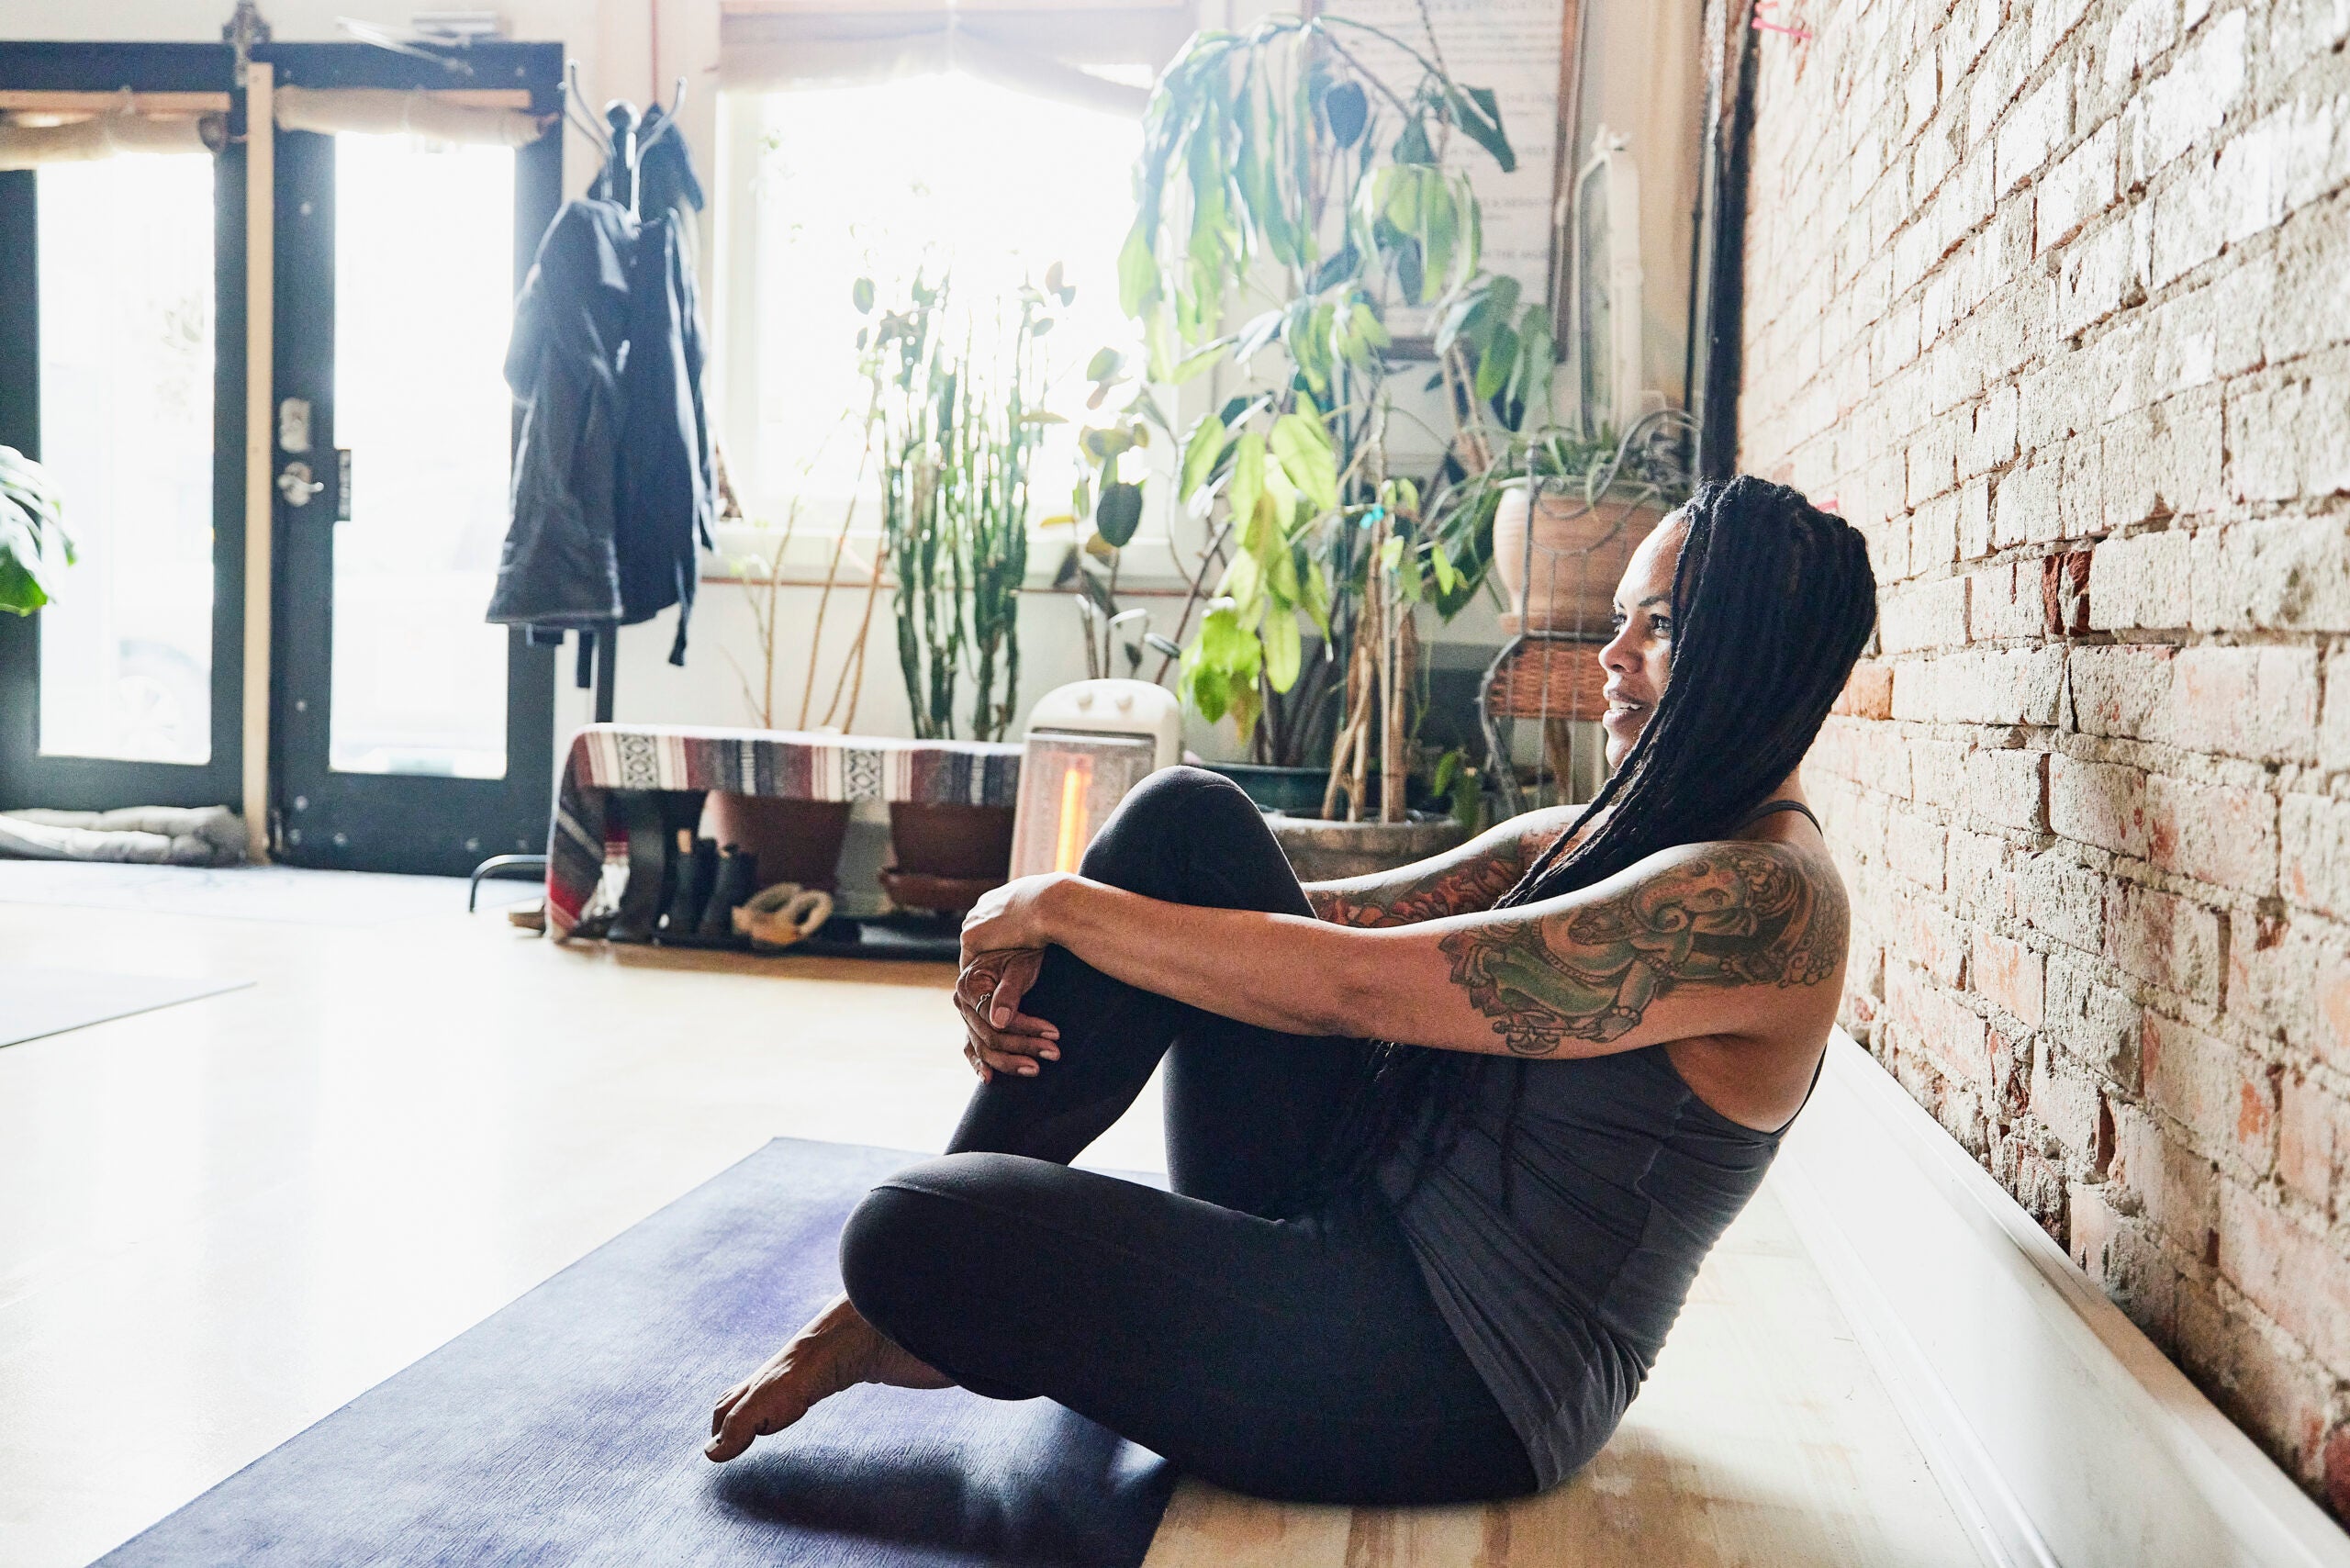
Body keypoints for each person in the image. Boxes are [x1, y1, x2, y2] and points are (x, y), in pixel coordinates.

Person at [705, 475, 1877, 1504]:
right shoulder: (1593, 836)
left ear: (1749, 656)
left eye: (1659, 626)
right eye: (1619, 619)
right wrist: (1100, 920)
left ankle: (922, 1297)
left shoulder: (1761, 907)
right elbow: (1307, 928)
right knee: (1186, 823)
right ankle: (901, 1316)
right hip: (1349, 1198)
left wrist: (1060, 908)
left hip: (1455, 1379)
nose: (1611, 657)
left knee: (911, 1227)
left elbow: (1357, 991)